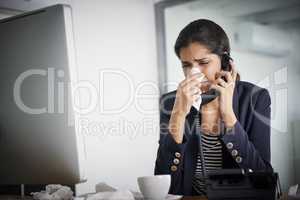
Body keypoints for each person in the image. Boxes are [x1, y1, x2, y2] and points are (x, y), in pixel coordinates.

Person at [154, 19, 272, 196]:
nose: (193, 74)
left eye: (203, 62)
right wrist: (178, 115)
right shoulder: (172, 102)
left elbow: (264, 182)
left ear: (225, 62)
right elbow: (162, 187)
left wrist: (229, 117)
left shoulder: (254, 99)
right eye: (186, 65)